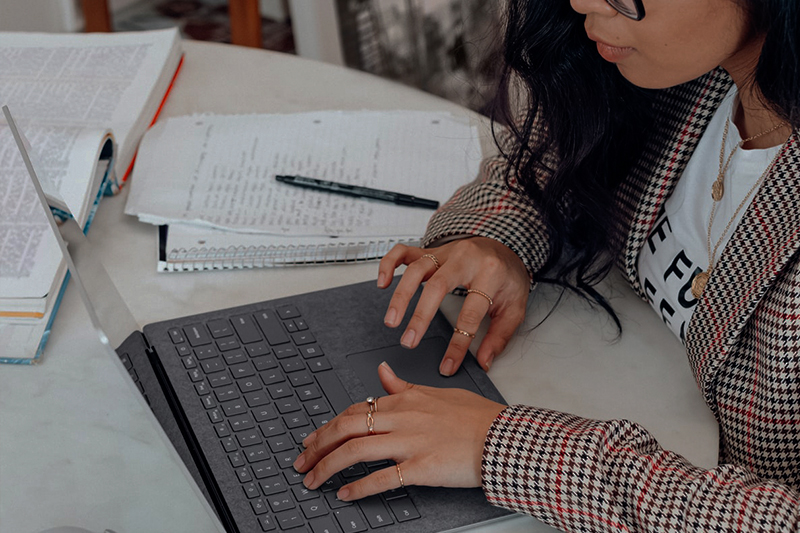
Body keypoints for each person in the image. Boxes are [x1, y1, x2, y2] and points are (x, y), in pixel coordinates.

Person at [293, 0, 800, 529]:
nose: (580, 2)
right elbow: (565, 150)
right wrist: (495, 242)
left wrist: (508, 450)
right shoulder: (700, 69)